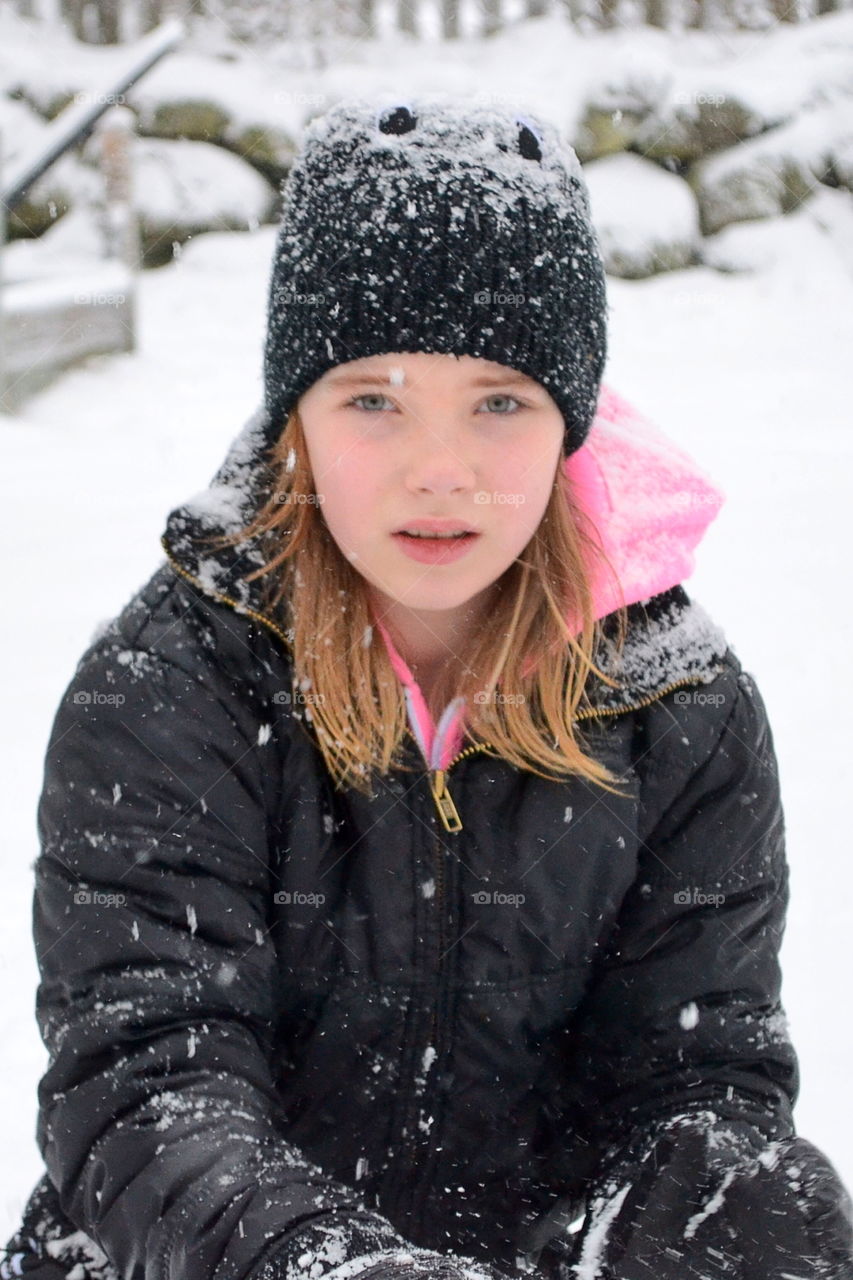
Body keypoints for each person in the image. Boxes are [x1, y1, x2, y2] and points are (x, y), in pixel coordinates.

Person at [1, 93, 852, 1280]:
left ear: (571, 422)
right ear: (294, 415)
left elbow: (692, 1068)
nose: (438, 468)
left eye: (500, 401)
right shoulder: (167, 686)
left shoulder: (680, 708)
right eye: (373, 400)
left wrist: (706, 1191)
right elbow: (147, 1082)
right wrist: (333, 1263)